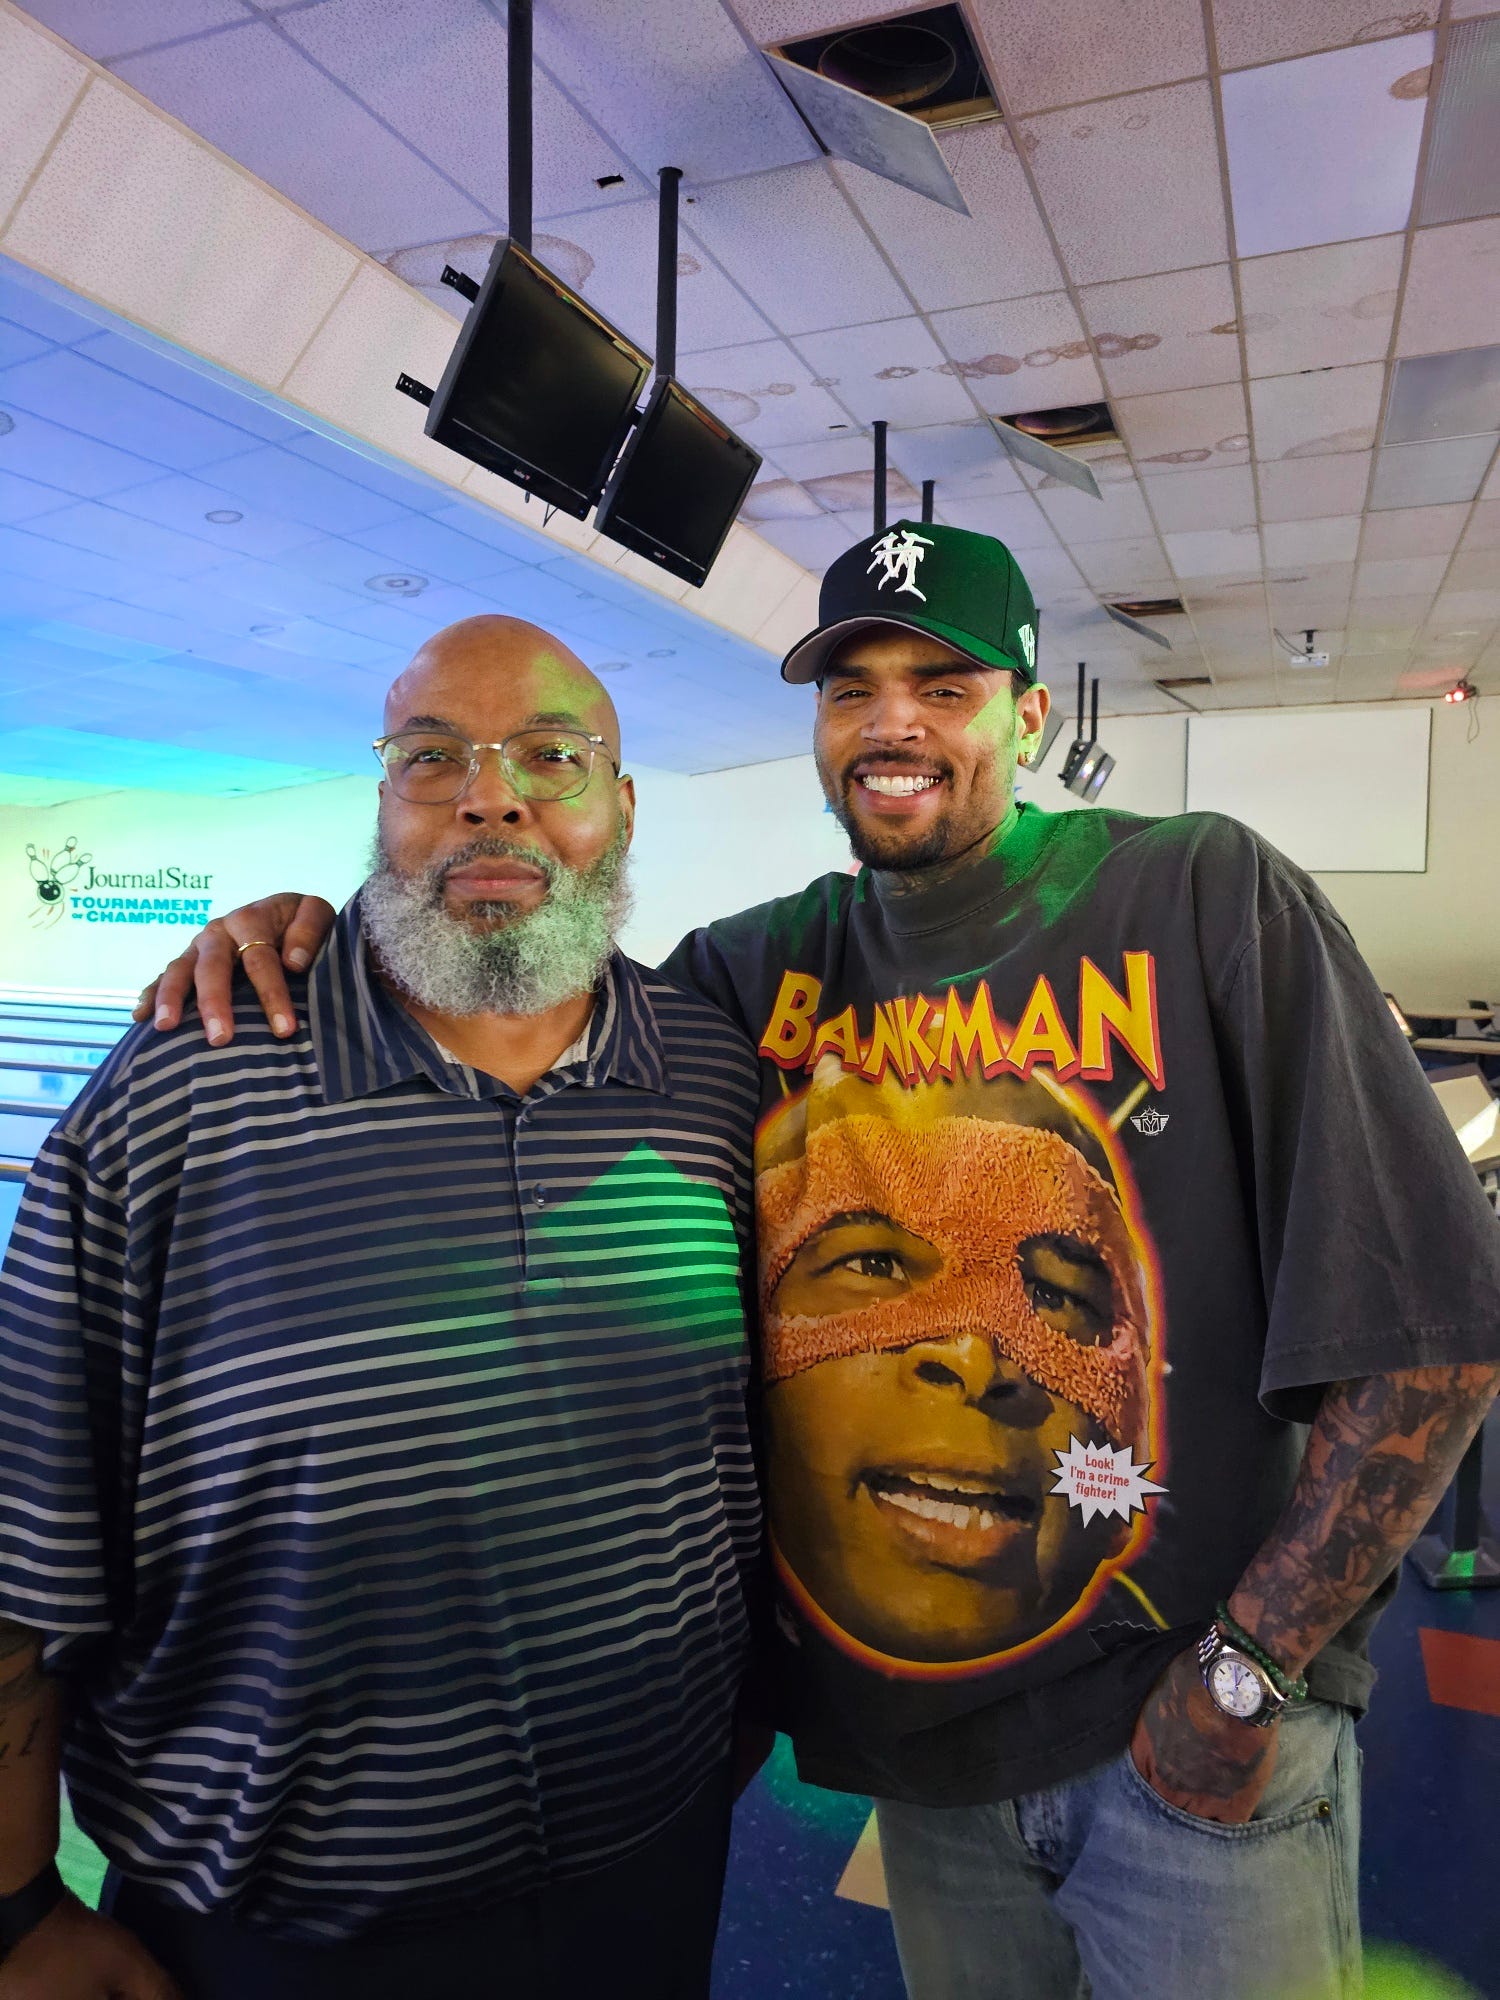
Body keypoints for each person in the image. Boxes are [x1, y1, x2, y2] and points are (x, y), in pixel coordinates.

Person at [133, 527, 1500, 2000]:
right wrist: (324, 934)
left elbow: (1430, 1324)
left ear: (1029, 716)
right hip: (923, 1764)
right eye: (852, 689)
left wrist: (1246, 1679)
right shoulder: (752, 972)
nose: (893, 722)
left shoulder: (1202, 895)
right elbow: (510, 972)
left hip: (1188, 1750)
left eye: (943, 683)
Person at [0, 617, 766, 2000]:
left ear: (623, 805)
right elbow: (21, 1513)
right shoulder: (192, 1085)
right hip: (275, 1929)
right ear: (385, 802)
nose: (492, 794)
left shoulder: (712, 1074)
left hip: (649, 1868)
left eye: (553, 754)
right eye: (433, 757)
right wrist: (11, 1910)